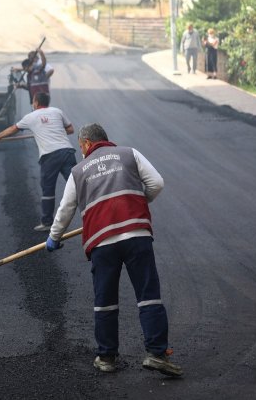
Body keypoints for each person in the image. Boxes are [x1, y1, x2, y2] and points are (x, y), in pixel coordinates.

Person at [45, 123, 183, 377]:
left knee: (105, 301)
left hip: (102, 240)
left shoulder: (78, 170)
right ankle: (156, 354)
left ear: (86, 143)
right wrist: (140, 200)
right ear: (105, 140)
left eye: (81, 146)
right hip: (136, 235)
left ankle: (106, 357)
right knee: (148, 295)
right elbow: (157, 183)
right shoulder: (129, 153)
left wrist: (54, 236)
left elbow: (66, 209)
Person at [0, 92, 76, 232]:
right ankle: (94, 213)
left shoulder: (31, 117)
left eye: (33, 102)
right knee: (77, 185)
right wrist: (52, 130)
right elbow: (70, 129)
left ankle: (47, 222)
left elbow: (13, 129)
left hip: (50, 155)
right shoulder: (57, 111)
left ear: (35, 103)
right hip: (67, 152)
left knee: (48, 189)